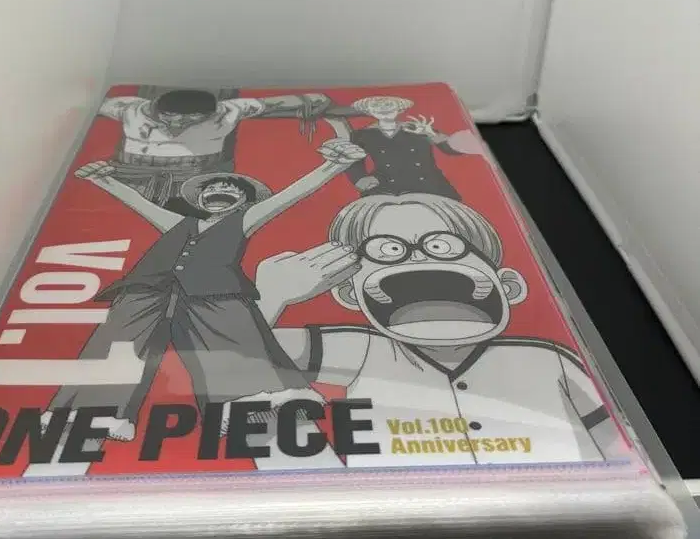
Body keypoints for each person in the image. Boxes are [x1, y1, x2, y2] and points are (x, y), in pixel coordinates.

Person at [255, 194, 628, 467]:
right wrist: (269, 298)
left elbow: (616, 446)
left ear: (509, 286)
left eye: (441, 245)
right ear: (350, 294)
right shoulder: (363, 351)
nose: (418, 259)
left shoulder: (550, 361)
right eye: (388, 250)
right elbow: (235, 355)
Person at [44, 137, 366, 443]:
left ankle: (250, 400)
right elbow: (139, 204)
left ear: (244, 200)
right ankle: (88, 412)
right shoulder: (179, 224)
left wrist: (333, 166)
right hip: (148, 288)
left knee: (234, 336)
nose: (220, 190)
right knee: (118, 341)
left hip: (214, 291)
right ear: (199, 199)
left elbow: (288, 196)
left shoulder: (242, 221)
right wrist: (102, 180)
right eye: (212, 187)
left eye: (230, 188)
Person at [98, 88, 347, 214]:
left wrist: (312, 101)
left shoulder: (228, 111)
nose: (178, 124)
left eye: (191, 118)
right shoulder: (129, 108)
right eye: (170, 117)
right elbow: (92, 103)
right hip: (133, 177)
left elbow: (283, 102)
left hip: (194, 182)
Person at [342, 96, 484, 200]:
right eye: (377, 106)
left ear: (399, 109)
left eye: (389, 105)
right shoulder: (362, 134)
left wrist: (431, 133)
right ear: (369, 111)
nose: (384, 109)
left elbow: (451, 150)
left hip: (429, 185)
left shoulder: (419, 126)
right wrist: (360, 178)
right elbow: (353, 160)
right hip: (387, 185)